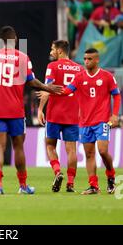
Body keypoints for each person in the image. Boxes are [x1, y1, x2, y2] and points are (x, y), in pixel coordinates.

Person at [0, 26, 63, 195]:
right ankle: (23, 185)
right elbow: (31, 82)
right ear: (15, 39)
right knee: (18, 148)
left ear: (2, 40)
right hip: (16, 111)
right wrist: (47, 88)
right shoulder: (22, 58)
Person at [63, 48, 121, 194]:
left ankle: (111, 176)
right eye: (85, 59)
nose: (86, 61)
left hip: (102, 121)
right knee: (89, 154)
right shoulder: (79, 77)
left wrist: (114, 115)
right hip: (84, 122)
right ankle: (94, 186)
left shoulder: (107, 76)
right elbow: (66, 91)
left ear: (97, 60)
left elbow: (117, 95)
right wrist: (49, 90)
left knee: (102, 151)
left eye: (89, 59)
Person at [37, 40, 82, 193]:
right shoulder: (79, 68)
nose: (51, 52)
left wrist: (40, 109)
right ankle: (70, 183)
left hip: (55, 113)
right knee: (71, 150)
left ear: (60, 51)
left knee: (50, 145)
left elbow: (48, 89)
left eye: (52, 49)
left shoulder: (52, 66)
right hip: (72, 115)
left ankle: (58, 172)